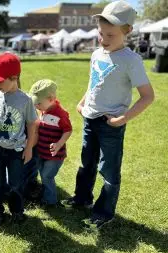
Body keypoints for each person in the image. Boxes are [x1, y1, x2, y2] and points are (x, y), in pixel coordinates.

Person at [61, 1, 155, 229]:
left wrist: (122, 119)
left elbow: (147, 96)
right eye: (101, 33)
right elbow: (94, 83)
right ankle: (82, 198)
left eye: (110, 35)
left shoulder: (131, 60)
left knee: (109, 169)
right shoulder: (96, 54)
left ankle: (104, 212)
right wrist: (82, 104)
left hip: (111, 123)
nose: (103, 39)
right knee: (86, 162)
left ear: (128, 31)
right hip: (89, 118)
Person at [0, 53, 37, 227]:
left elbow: (31, 125)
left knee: (15, 184)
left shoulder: (25, 100)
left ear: (14, 78)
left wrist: (28, 149)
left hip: (16, 150)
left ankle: (17, 211)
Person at [29, 79, 72, 206]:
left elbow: (68, 130)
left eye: (39, 103)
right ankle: (46, 193)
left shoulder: (60, 114)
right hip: (42, 152)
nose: (36, 106)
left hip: (54, 155)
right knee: (43, 174)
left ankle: (50, 201)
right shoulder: (44, 110)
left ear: (51, 98)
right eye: (35, 103)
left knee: (47, 176)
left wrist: (59, 144)